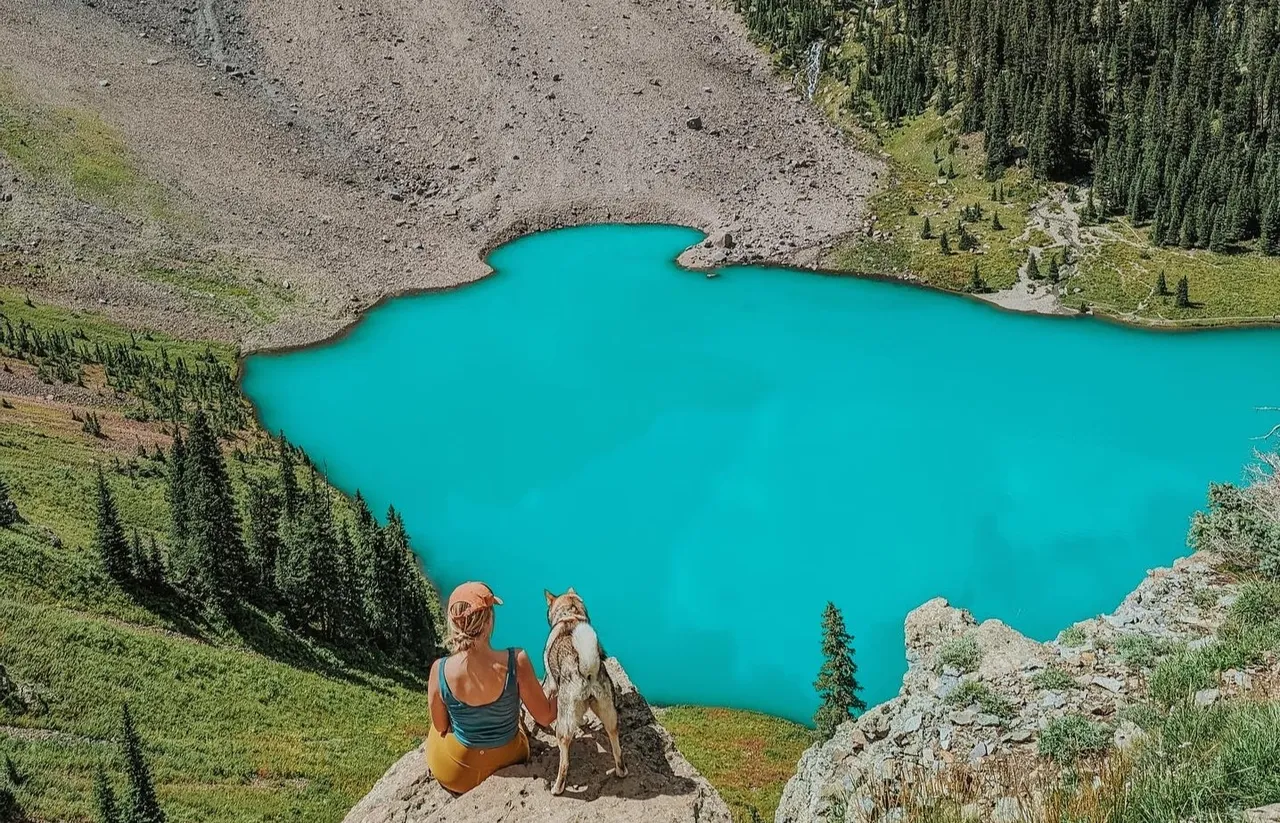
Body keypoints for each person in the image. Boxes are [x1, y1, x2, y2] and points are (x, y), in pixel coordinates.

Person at [426, 581, 558, 794]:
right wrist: (562, 684)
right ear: (488, 623)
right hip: (510, 759)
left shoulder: (439, 670)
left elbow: (441, 726)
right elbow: (546, 717)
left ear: (453, 624)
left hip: (458, 775)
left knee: (434, 730)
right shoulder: (517, 660)